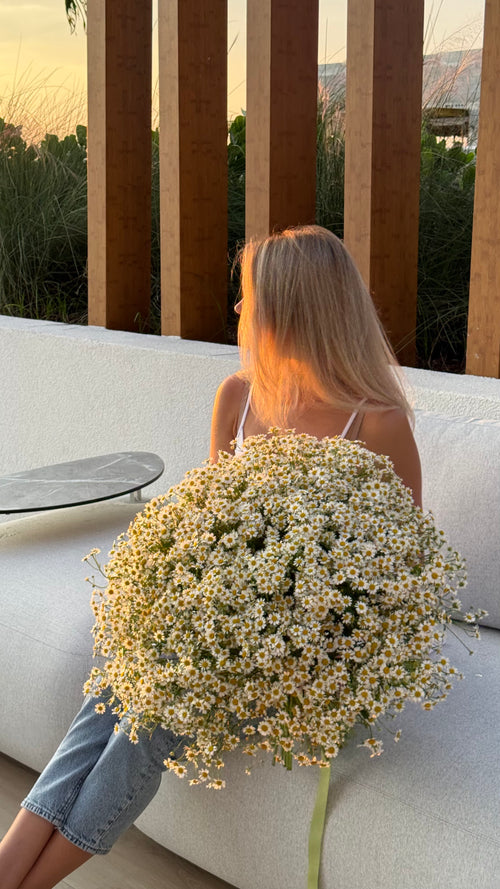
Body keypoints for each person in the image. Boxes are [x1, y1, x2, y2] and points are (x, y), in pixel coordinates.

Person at [0, 225, 421, 888]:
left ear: (292, 308)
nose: (239, 308)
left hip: (290, 647)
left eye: (250, 296)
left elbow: (402, 558)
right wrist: (175, 593)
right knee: (114, 690)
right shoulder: (239, 396)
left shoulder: (375, 421)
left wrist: (295, 612)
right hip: (210, 622)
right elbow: (205, 519)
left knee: (148, 718)